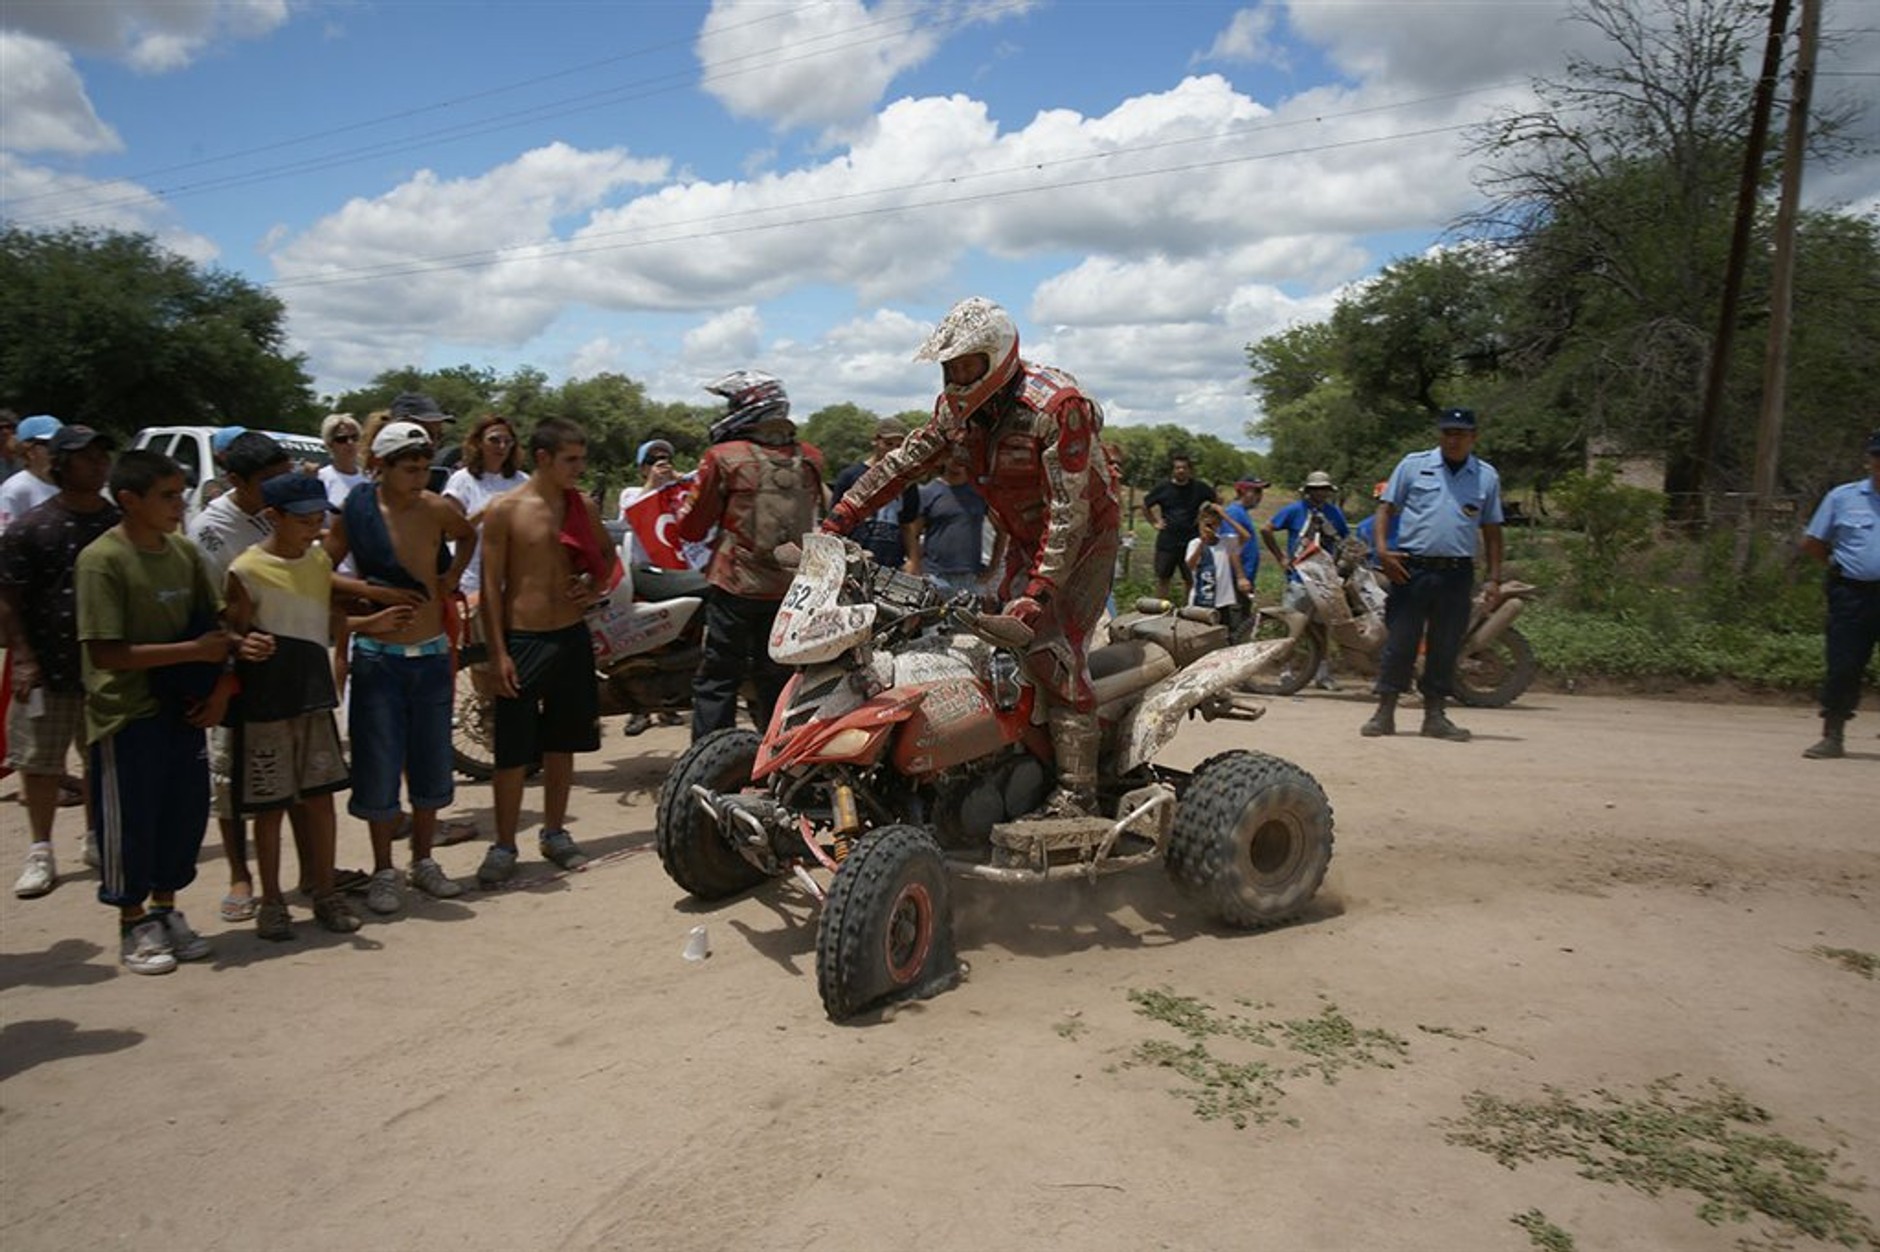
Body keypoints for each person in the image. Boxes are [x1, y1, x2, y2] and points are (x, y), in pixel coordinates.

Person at [824, 296, 1121, 817]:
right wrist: (837, 520)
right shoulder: (955, 414)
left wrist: (1038, 594)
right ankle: (998, 760)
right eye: (950, 367)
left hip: (1085, 540)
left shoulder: (1056, 408)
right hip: (1023, 538)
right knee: (977, 641)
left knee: (1050, 647)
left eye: (967, 366)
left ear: (998, 357)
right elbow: (901, 464)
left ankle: (1077, 792)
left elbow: (1068, 512)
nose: (957, 378)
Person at [76, 449, 258, 974]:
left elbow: (216, 622)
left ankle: (165, 909)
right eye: (168, 496)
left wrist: (220, 682)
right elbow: (106, 653)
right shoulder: (102, 560)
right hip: (127, 714)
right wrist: (192, 653)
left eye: (181, 494)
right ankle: (132, 921)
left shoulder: (182, 551)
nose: (180, 505)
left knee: (181, 817)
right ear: (129, 500)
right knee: (132, 821)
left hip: (185, 708)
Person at [226, 474, 412, 939]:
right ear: (274, 517)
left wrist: (369, 622)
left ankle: (325, 893)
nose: (315, 528)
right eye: (304, 520)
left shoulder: (315, 562)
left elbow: (325, 618)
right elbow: (233, 631)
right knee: (270, 808)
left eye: (318, 519)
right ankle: (272, 901)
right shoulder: (246, 570)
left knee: (320, 799)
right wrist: (241, 645)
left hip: (312, 697)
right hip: (266, 703)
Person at [326, 420, 478, 911]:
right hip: (379, 657)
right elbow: (321, 570)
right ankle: (383, 869)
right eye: (409, 469)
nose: (419, 478)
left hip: (430, 654)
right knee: (378, 764)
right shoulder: (357, 511)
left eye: (423, 468)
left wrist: (451, 577)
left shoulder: (436, 508)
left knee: (431, 762)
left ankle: (423, 859)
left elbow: (467, 536)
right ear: (381, 466)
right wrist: (372, 595)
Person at [476, 418, 619, 885]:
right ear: (542, 458)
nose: (578, 468)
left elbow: (607, 557)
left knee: (563, 744)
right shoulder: (505, 510)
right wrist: (497, 653)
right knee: (512, 752)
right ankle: (504, 844)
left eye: (582, 459)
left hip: (570, 636)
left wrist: (592, 587)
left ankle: (555, 833)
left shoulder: (582, 506)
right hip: (523, 638)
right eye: (570, 460)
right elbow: (491, 587)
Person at [676, 373, 823, 741]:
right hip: (789, 591)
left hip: (735, 585)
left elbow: (691, 528)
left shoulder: (724, 457)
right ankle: (779, 756)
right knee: (779, 679)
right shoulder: (811, 457)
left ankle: (708, 760)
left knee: (718, 679)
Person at [2, 425, 117, 897]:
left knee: (100, 759)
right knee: (40, 763)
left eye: (102, 456)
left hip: (105, 666)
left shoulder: (118, 523)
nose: (98, 465)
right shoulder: (32, 527)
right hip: (47, 667)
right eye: (87, 457)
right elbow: (8, 598)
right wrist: (23, 658)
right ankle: (40, 849)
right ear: (61, 465)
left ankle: (95, 836)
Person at [188, 431, 297, 923]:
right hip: (234, 666)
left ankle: (313, 872)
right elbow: (210, 610)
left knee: (294, 774)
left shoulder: (282, 512)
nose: (280, 488)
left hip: (288, 657)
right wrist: (232, 657)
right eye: (269, 481)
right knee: (231, 777)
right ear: (236, 480)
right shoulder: (211, 531)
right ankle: (240, 875)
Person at [1361, 408, 1504, 742]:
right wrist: (1382, 551)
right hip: (1411, 569)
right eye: (1447, 433)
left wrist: (1494, 577)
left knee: (1445, 645)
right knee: (1400, 642)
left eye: (1460, 434)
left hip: (1456, 573)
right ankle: (1384, 712)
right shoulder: (1413, 465)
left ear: (1473, 437)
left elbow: (1493, 530)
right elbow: (1385, 509)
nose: (1453, 440)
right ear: (1440, 435)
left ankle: (1435, 716)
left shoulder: (1486, 476)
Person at [1797, 430, 1880, 759]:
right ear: (1869, 460)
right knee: (1843, 664)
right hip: (1852, 594)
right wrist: (1838, 565)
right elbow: (1812, 542)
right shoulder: (1843, 497)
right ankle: (1833, 734)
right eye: (1878, 456)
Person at [1263, 470, 1351, 690]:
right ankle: (1286, 670)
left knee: (1322, 627)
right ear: (1308, 491)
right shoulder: (1295, 510)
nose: (1320, 493)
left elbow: (1344, 538)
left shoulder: (1333, 513)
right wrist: (1281, 557)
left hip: (1324, 579)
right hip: (1299, 577)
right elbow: (1267, 529)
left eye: (1324, 489)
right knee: (1292, 623)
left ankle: (1322, 672)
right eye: (1316, 489)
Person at [441, 413, 527, 600]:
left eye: (507, 441)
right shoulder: (462, 480)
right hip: (472, 579)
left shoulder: (523, 481)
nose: (501, 446)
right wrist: (487, 510)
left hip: (513, 578)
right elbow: (448, 533)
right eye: (494, 440)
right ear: (478, 443)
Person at [830, 417, 922, 574]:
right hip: (855, 561)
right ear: (875, 441)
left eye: (898, 446)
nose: (893, 451)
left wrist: (913, 561)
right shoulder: (850, 476)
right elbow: (835, 523)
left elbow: (907, 526)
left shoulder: (906, 481)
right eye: (888, 444)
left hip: (892, 563)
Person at [914, 447, 990, 595]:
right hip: (935, 575)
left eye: (962, 458)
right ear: (944, 458)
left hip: (971, 577)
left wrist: (993, 568)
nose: (957, 461)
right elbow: (913, 534)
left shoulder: (979, 493)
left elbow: (1002, 530)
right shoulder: (927, 492)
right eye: (953, 456)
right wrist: (916, 566)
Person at [1144, 455, 1215, 601]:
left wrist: (1206, 521)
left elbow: (1216, 502)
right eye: (1177, 468)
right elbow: (1146, 505)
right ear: (1173, 470)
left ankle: (1187, 609)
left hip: (1191, 540)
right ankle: (1161, 609)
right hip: (1168, 540)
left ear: (1190, 470)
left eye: (1184, 468)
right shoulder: (1163, 488)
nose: (1181, 470)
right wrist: (1155, 522)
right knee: (1164, 577)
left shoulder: (1199, 488)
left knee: (1190, 578)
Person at [1186, 502, 1254, 639]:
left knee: (1223, 636)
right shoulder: (1194, 543)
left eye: (1214, 524)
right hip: (1201, 600)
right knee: (1199, 637)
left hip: (1223, 602)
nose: (1210, 528)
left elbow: (1246, 536)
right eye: (1206, 524)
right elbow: (1190, 565)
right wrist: (1202, 543)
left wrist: (1225, 516)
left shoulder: (1226, 542)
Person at [0, 414, 63, 530]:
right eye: (51, 444)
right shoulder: (15, 490)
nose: (60, 450)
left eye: (64, 443)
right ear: (29, 451)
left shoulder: (79, 482)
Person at [388, 391, 458, 494]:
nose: (433, 443)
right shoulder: (366, 487)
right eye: (425, 435)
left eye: (439, 436)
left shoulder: (444, 481)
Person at [317, 413, 368, 509]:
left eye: (355, 437)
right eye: (342, 439)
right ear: (330, 444)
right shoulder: (321, 478)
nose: (350, 443)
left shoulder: (369, 478)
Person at [1354, 480, 1400, 569]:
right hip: (1372, 568)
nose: (1386, 504)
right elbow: (1359, 551)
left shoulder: (1406, 524)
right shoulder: (1363, 526)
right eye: (1382, 501)